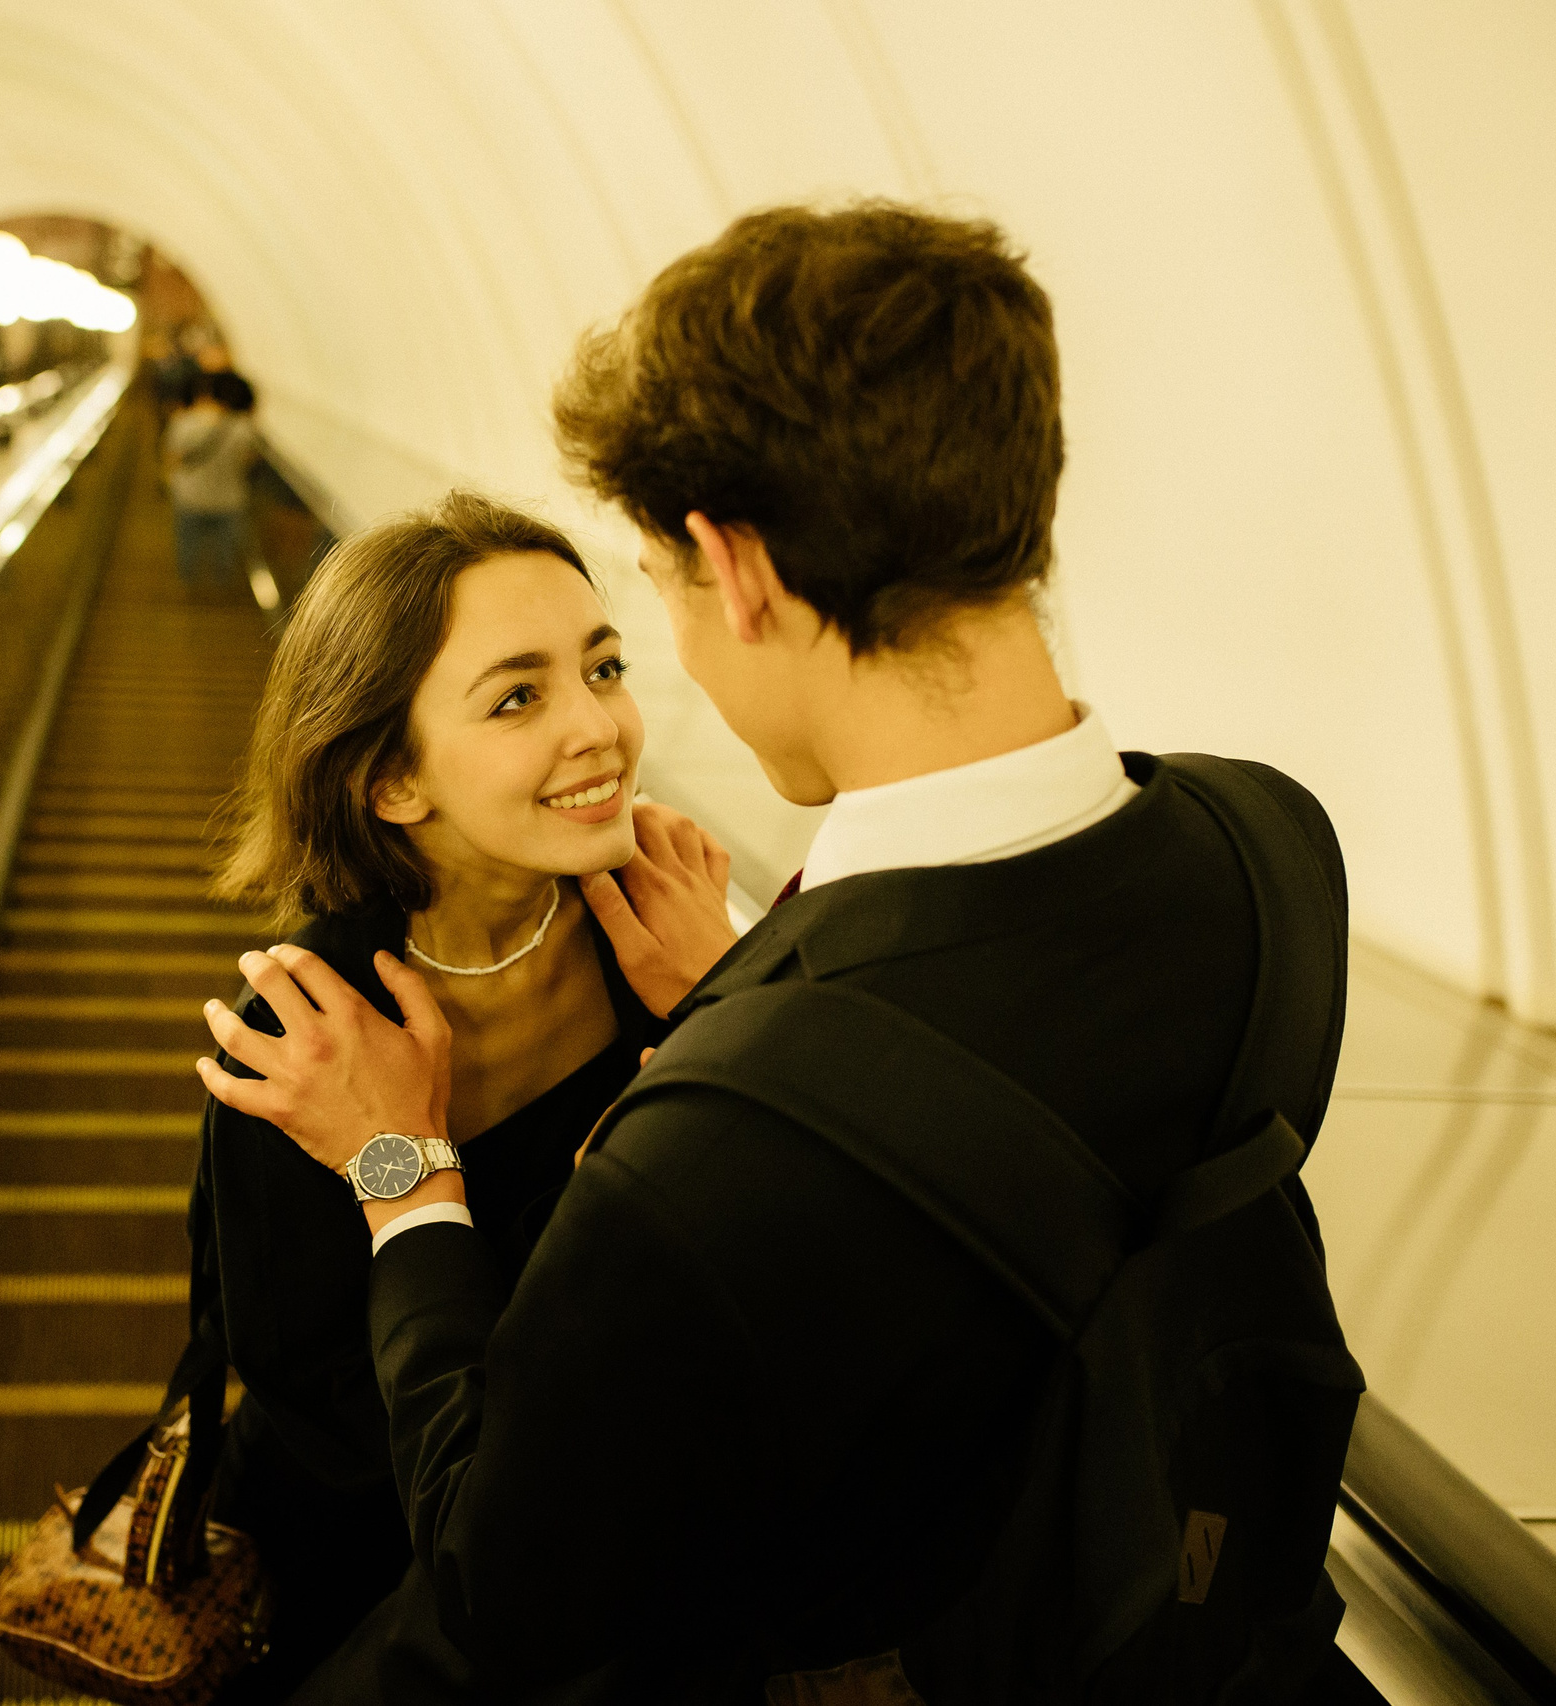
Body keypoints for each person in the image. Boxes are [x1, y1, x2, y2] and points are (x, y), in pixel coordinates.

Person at [198, 203, 1353, 1701]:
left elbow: (499, 1589)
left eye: (648, 602)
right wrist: (749, 983)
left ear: (735, 572)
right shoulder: (1269, 847)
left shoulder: (721, 1141)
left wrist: (409, 1178)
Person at [190, 491, 722, 1701]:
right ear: (391, 782)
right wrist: (400, 1168)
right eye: (518, 696)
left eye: (605, 666)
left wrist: (727, 1007)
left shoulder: (660, 934)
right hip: (380, 1589)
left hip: (611, 1558)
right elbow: (316, 1405)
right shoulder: (303, 1034)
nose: (600, 727)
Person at [164, 369, 263, 597]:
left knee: (188, 545)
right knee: (224, 549)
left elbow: (172, 459)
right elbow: (249, 462)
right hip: (229, 500)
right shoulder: (244, 430)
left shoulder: (185, 423)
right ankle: (221, 590)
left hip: (189, 496)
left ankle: (188, 587)